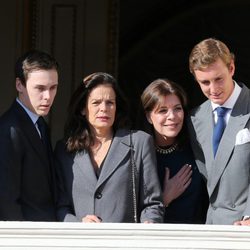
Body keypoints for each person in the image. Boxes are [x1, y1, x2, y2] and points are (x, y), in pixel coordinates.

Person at [54, 72, 164, 223]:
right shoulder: (64, 150)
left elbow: (152, 204)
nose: (104, 108)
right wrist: (79, 224)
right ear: (83, 109)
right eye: (96, 102)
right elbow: (60, 207)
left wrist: (149, 224)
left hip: (124, 243)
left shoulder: (139, 142)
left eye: (110, 102)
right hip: (80, 243)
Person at [188, 37, 250, 225]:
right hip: (212, 228)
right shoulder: (195, 118)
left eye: (218, 79)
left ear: (231, 68)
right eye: (205, 82)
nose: (213, 89)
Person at [0, 50, 59, 221]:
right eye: (40, 88)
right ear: (19, 85)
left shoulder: (40, 125)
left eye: (53, 87)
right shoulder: (7, 130)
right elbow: (6, 199)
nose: (48, 96)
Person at [141, 78, 208, 223]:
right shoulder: (139, 155)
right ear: (149, 117)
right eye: (163, 110)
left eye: (177, 108)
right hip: (155, 240)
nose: (172, 116)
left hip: (197, 240)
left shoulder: (197, 148)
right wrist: (164, 198)